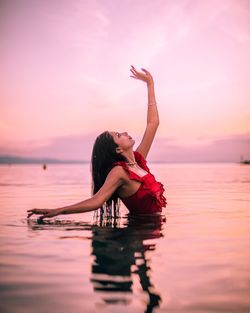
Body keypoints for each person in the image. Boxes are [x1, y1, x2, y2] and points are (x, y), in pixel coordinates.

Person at [27, 65, 167, 221]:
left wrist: (150, 84)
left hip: (154, 231)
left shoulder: (138, 161)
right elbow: (96, 201)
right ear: (118, 149)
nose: (126, 133)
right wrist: (59, 211)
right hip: (138, 233)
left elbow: (153, 124)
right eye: (119, 135)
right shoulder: (119, 172)